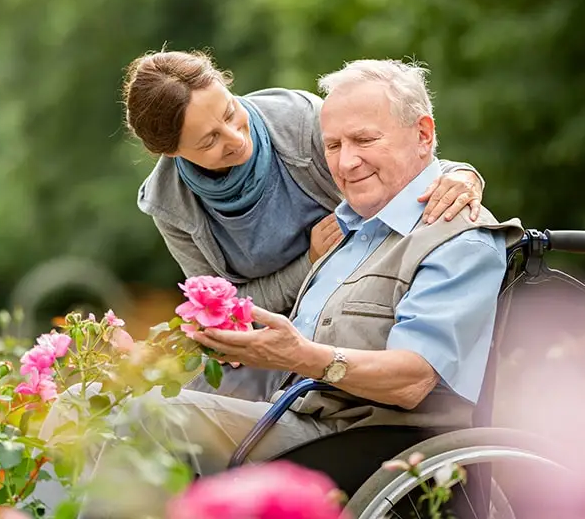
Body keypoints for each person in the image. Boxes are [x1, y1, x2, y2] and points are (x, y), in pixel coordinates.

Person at [34, 59, 522, 516]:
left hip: (362, 438)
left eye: (363, 141)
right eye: (334, 146)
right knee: (88, 401)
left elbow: (415, 380)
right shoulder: (352, 230)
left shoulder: (458, 236)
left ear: (423, 134)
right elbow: (233, 303)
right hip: (292, 410)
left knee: (143, 418)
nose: (346, 163)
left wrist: (301, 354)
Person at [123, 49, 487, 401]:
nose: (236, 138)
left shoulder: (298, 121)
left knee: (154, 421)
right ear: (172, 153)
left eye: (230, 112)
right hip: (268, 355)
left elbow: (400, 152)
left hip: (352, 330)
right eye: (209, 140)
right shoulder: (170, 204)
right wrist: (310, 261)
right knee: (117, 409)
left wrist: (464, 175)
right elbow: (222, 310)